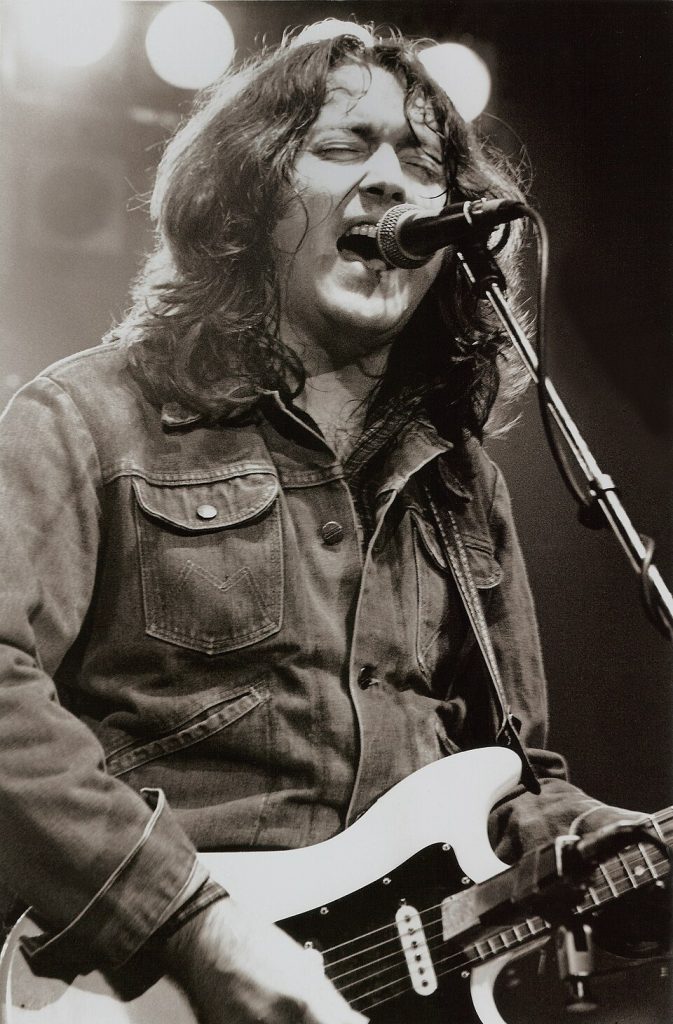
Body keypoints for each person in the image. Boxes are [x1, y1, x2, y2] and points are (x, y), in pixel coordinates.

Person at [0, 19, 658, 1024]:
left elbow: (513, 769)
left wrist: (595, 840)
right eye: (343, 146)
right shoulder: (90, 418)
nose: (393, 182)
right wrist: (194, 926)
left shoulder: (459, 483)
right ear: (246, 198)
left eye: (422, 160)